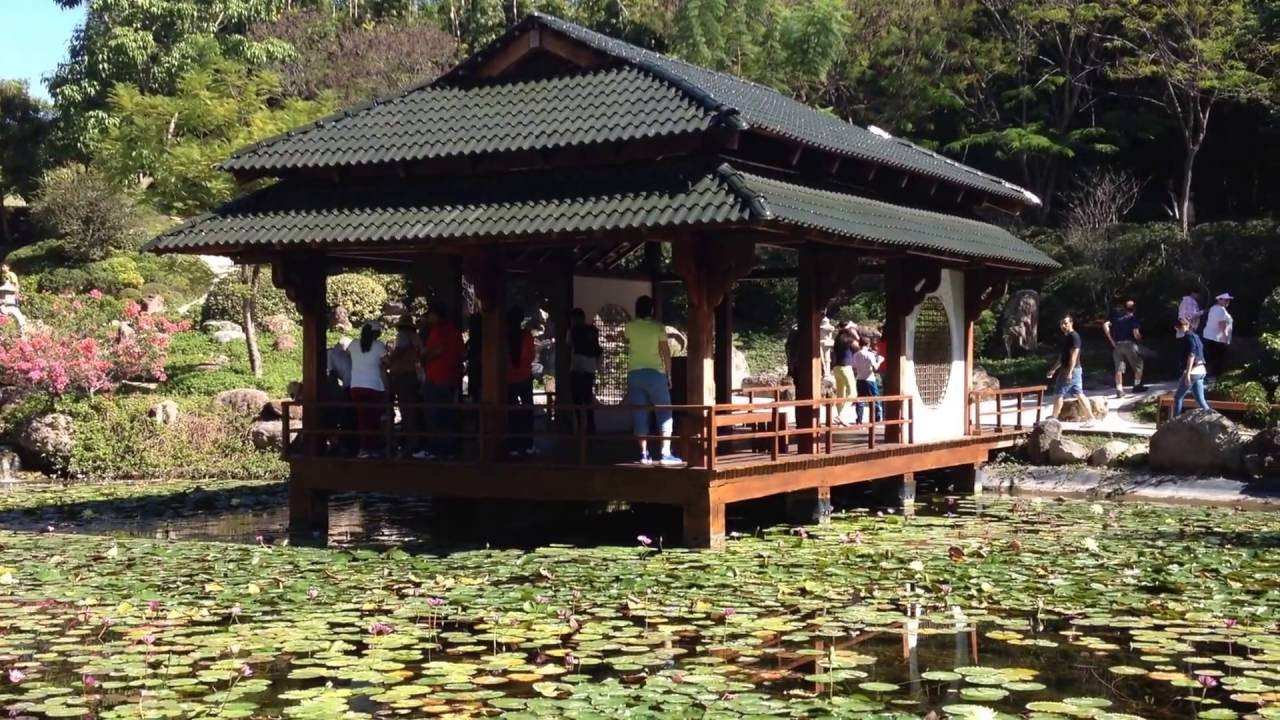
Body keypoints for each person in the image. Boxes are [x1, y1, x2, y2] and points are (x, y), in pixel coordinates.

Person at [624, 295, 681, 466]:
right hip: (655, 374)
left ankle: (643, 454)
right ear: (652, 310)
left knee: (640, 413)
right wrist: (669, 375)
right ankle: (665, 453)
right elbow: (666, 353)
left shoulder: (629, 327)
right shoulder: (658, 327)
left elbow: (626, 341)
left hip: (635, 373)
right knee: (664, 412)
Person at [420, 306, 465, 458]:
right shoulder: (455, 331)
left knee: (434, 414)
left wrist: (425, 357)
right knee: (447, 414)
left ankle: (435, 449)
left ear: (435, 315)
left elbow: (437, 350)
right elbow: (461, 352)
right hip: (451, 377)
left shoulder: (439, 330)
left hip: (436, 377)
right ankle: (450, 449)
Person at [348, 321, 389, 458]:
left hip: (356, 386)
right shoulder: (379, 345)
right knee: (374, 419)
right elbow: (387, 362)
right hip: (374, 386)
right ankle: (371, 449)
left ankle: (365, 448)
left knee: (362, 418)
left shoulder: (353, 344)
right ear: (376, 333)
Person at [1044, 315, 1095, 425]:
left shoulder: (1074, 337)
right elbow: (1062, 357)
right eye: (1062, 324)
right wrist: (1053, 369)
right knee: (1079, 394)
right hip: (1070, 369)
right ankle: (1091, 418)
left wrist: (1070, 372)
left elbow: (1074, 355)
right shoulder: (1068, 337)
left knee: (1059, 393)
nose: (1063, 326)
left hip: (1071, 370)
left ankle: (1054, 418)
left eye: (1066, 323)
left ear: (1071, 323)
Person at [386, 320, 424, 458]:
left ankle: (407, 445)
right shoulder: (416, 338)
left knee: (404, 410)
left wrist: (389, 359)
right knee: (411, 411)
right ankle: (413, 443)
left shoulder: (402, 336)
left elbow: (398, 352)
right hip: (412, 375)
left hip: (401, 376)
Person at [506, 306, 538, 456]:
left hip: (509, 379)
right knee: (527, 411)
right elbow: (531, 356)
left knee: (511, 412)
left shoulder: (504, 337)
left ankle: (512, 446)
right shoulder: (527, 336)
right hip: (524, 377)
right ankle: (528, 444)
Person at [566, 308, 603, 433]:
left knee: (577, 399)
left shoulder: (572, 331)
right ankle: (591, 427)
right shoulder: (593, 330)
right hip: (590, 368)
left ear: (574, 319)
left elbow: (569, 347)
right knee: (588, 398)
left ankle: (579, 427)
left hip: (576, 367)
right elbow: (597, 349)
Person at [1103, 299, 1146, 398]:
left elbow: (1105, 325)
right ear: (1134, 309)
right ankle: (1137, 386)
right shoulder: (1132, 319)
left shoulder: (1117, 319)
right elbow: (1136, 334)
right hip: (1130, 345)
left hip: (1118, 345)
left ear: (1125, 308)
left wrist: (1111, 340)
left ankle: (1119, 390)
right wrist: (1140, 338)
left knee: (1118, 368)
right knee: (1139, 366)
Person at [322, 336, 355, 455]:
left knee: (344, 416)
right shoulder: (348, 356)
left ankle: (345, 445)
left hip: (348, 387)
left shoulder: (329, 354)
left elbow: (331, 376)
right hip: (355, 385)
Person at [1172, 317, 1209, 417]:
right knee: (1200, 400)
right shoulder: (1196, 336)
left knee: (1178, 398)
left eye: (1178, 328)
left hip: (1193, 372)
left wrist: (1187, 374)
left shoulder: (1188, 337)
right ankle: (1212, 418)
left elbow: (1191, 355)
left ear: (1177, 328)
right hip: (1201, 370)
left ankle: (1175, 423)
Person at [852, 337, 884, 424]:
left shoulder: (856, 355)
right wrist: (880, 361)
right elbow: (875, 367)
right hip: (870, 379)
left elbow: (854, 367)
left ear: (859, 344)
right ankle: (876, 418)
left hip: (859, 379)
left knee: (860, 399)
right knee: (875, 399)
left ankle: (859, 419)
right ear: (868, 344)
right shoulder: (870, 354)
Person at [831, 326, 858, 425]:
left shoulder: (838, 340)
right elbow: (858, 344)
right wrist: (854, 333)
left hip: (836, 368)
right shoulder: (849, 339)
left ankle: (840, 418)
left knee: (840, 394)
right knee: (852, 393)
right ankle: (841, 416)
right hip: (846, 367)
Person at [1203, 293, 1234, 378]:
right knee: (1219, 360)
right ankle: (1218, 378)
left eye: (1228, 300)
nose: (1228, 301)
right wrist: (1226, 339)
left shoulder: (1213, 308)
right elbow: (1222, 325)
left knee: (1214, 359)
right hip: (1218, 339)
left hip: (1211, 337)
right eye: (1225, 300)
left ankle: (1214, 377)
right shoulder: (1221, 310)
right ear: (1219, 299)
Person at [465, 313, 483, 402]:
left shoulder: (472, 340)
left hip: (475, 368)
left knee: (475, 394)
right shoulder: (485, 338)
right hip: (480, 368)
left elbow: (465, 353)